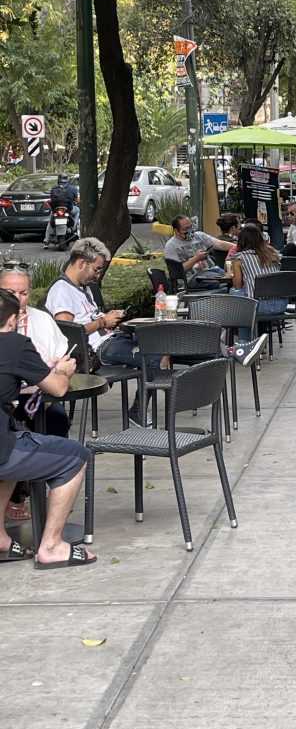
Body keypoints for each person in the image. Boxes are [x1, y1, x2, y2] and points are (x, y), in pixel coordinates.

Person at [0, 287, 97, 568]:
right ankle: (52, 547)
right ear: (12, 321)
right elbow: (57, 388)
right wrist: (63, 371)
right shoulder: (15, 343)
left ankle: (1, 539)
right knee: (76, 456)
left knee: (15, 442)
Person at [45, 237, 161, 426]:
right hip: (93, 350)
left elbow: (88, 319)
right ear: (81, 263)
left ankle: (140, 407)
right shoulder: (61, 291)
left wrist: (109, 320)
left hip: (108, 340)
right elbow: (67, 333)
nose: (98, 275)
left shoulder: (83, 288)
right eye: (96, 269)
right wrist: (102, 322)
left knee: (157, 344)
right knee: (153, 355)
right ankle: (138, 410)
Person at [2, 263, 69, 523]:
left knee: (57, 420)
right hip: (8, 401)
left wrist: (59, 370)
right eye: (10, 293)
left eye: (24, 293)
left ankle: (52, 491)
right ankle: (16, 495)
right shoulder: (10, 334)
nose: (18, 300)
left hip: (39, 395)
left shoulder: (42, 320)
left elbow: (60, 358)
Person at [163, 215, 234, 290]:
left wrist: (237, 247)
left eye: (191, 227)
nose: (190, 231)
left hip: (212, 269)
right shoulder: (171, 246)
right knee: (220, 280)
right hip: (192, 277)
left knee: (232, 276)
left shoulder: (199, 236)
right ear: (177, 231)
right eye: (186, 229)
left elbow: (220, 244)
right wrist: (196, 258)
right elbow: (176, 271)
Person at [43, 173, 79, 249]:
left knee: (50, 223)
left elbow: (52, 199)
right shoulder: (72, 188)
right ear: (67, 180)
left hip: (56, 210)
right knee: (78, 210)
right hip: (69, 210)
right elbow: (77, 200)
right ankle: (75, 226)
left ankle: (46, 241)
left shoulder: (54, 189)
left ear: (58, 180)